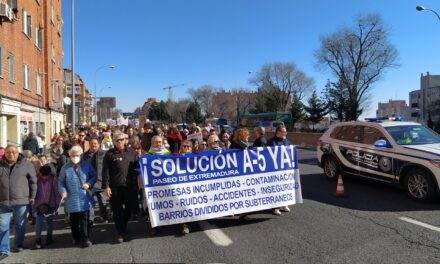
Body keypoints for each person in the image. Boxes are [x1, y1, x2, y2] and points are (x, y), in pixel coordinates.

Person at [0, 146, 37, 257]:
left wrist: (32, 196)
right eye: (8, 152)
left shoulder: (26, 164)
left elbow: (33, 181)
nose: (11, 154)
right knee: (2, 225)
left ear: (18, 153)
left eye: (14, 152)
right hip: (3, 201)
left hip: (21, 200)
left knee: (20, 225)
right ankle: (3, 250)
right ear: (4, 154)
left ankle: (18, 244)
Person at [102, 132, 139, 243]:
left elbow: (138, 166)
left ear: (125, 140)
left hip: (130, 186)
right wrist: (106, 186)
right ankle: (120, 232)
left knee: (129, 208)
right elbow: (105, 171)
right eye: (117, 140)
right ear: (113, 142)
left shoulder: (132, 152)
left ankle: (122, 224)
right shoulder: (109, 154)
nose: (119, 142)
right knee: (117, 211)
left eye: (121, 139)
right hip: (115, 187)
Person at [58, 146, 96, 248]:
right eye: (73, 155)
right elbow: (60, 181)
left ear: (81, 155)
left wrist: (89, 183)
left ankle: (86, 238)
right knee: (74, 220)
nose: (75, 157)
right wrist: (63, 191)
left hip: (84, 197)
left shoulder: (86, 165)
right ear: (70, 156)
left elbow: (94, 176)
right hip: (71, 197)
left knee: (85, 219)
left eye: (77, 155)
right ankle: (76, 237)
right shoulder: (65, 167)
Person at [33, 165, 61, 249]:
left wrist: (57, 205)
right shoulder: (35, 180)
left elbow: (57, 194)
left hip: (51, 205)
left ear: (50, 173)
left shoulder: (54, 180)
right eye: (43, 175)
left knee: (49, 223)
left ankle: (49, 237)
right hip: (38, 205)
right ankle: (38, 239)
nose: (44, 177)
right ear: (40, 173)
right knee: (38, 223)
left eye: (46, 175)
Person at [267, 124, 291, 215]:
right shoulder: (271, 141)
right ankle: (275, 207)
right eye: (284, 131)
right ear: (278, 132)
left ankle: (284, 204)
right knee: (276, 188)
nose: (286, 133)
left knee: (284, 187)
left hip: (284, 169)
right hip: (274, 169)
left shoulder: (286, 141)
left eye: (286, 131)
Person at [84, 138, 109, 224]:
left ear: (99, 145)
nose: (93, 145)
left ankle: (104, 217)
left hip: (101, 181)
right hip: (89, 182)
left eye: (95, 144)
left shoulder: (105, 154)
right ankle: (91, 219)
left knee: (102, 201)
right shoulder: (84, 156)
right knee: (89, 201)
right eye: (91, 144)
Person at [230, 128, 251, 221]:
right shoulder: (234, 145)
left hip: (243, 172)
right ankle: (236, 211)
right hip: (236, 173)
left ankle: (242, 213)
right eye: (247, 135)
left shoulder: (245, 145)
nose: (248, 136)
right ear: (242, 136)